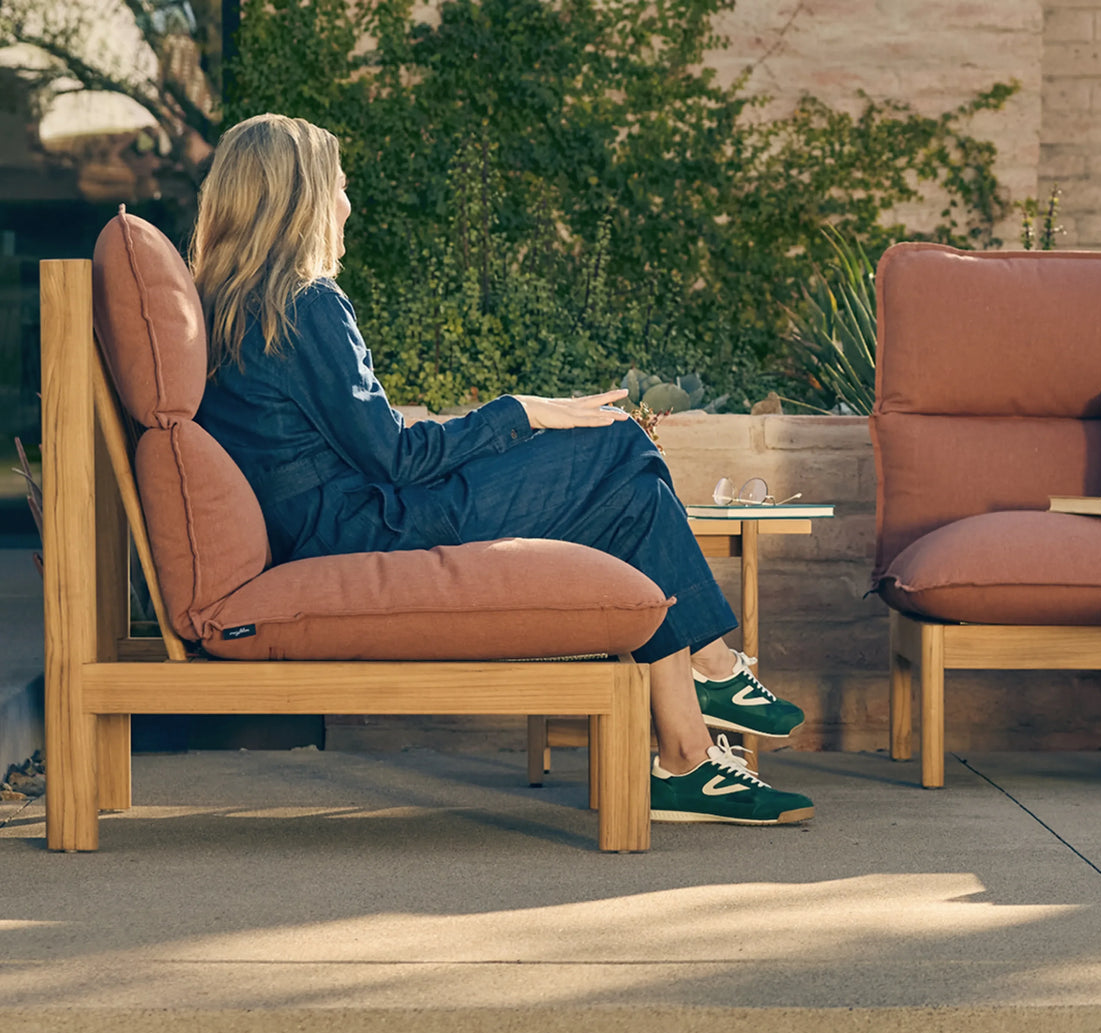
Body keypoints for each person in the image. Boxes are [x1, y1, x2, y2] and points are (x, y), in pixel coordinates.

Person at [190, 113, 814, 826]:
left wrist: (513, 423)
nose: (347, 203)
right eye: (338, 185)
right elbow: (394, 456)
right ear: (297, 200)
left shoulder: (231, 311)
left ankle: (687, 757)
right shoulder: (306, 304)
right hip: (371, 525)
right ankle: (713, 670)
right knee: (620, 445)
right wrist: (518, 411)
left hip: (335, 521)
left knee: (633, 491)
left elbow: (369, 445)